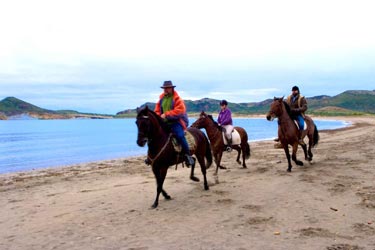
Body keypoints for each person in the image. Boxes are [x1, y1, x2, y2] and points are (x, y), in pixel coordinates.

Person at [154, 80, 195, 166]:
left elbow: (179, 111)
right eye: (164, 88)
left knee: (180, 136)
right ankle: (152, 156)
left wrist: (166, 114)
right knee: (155, 135)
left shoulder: (177, 99)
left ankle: (188, 156)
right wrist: (158, 117)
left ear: (172, 88)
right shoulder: (161, 99)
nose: (166, 90)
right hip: (165, 122)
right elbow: (157, 110)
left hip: (177, 121)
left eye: (167, 88)